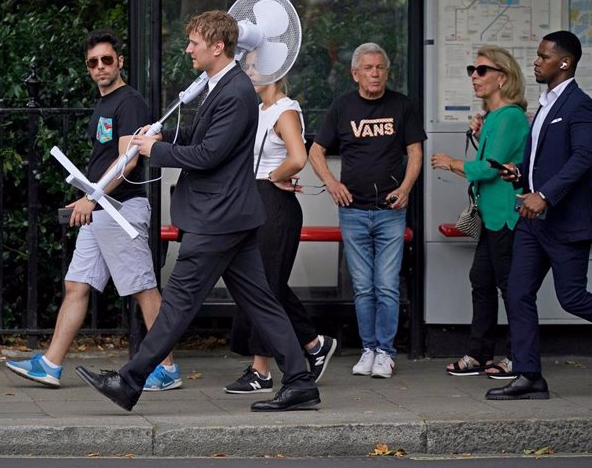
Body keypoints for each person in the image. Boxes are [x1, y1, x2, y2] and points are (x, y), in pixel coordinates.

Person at [74, 10, 320, 412]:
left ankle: (129, 380)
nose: (188, 49)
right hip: (229, 216)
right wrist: (163, 133)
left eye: (194, 43)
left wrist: (157, 151)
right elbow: (198, 137)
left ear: (218, 47)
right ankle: (300, 380)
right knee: (261, 302)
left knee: (177, 304)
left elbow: (208, 155)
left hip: (217, 218)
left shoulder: (236, 91)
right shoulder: (221, 86)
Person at [6, 29, 180, 390]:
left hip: (120, 208)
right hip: (101, 207)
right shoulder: (104, 104)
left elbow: (127, 161)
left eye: (106, 59)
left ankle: (167, 368)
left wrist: (92, 196)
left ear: (119, 60)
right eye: (92, 62)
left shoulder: (128, 102)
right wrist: (88, 196)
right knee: (76, 285)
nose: (100, 67)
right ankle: (51, 364)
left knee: (143, 288)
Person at [485, 30, 592, 400]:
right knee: (517, 293)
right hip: (534, 223)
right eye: (537, 55)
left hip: (564, 222)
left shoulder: (579, 106)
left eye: (543, 56)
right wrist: (521, 172)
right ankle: (530, 376)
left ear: (564, 62)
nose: (536, 61)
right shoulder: (545, 104)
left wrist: (544, 193)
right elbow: (545, 157)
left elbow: (583, 157)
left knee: (573, 298)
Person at [309, 43, 425, 379]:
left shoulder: (402, 106)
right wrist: (331, 183)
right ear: (355, 73)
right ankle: (368, 349)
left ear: (387, 72)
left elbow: (415, 153)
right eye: (368, 68)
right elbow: (316, 151)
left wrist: (405, 189)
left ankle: (386, 353)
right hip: (353, 211)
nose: (375, 74)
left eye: (380, 68)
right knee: (363, 287)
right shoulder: (342, 106)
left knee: (387, 285)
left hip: (390, 210)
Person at [225, 64, 337, 394]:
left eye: (255, 66)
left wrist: (274, 177)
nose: (248, 72)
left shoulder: (286, 110)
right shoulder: (257, 109)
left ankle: (262, 371)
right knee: (260, 282)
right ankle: (315, 345)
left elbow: (298, 157)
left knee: (265, 287)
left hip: (273, 205)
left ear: (275, 69)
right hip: (255, 202)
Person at [431, 45, 529, 379]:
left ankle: (518, 356)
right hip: (491, 216)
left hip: (506, 215)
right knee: (481, 281)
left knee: (509, 286)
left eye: (482, 70)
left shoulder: (511, 116)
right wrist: (478, 134)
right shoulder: (493, 117)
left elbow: (489, 169)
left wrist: (451, 163)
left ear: (502, 77)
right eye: (473, 69)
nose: (475, 75)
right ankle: (478, 353)